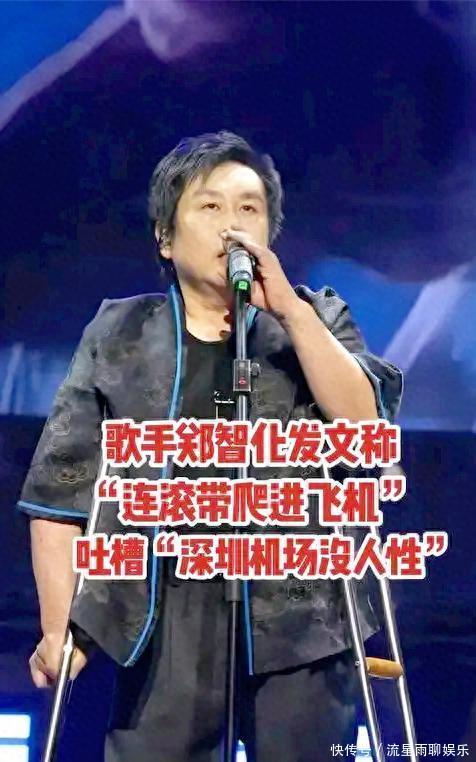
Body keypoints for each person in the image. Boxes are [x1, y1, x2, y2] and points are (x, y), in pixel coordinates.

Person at [18, 130, 403, 761]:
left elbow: (367, 430)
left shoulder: (316, 320)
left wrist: (291, 312)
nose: (233, 225)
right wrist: (60, 626)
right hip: (161, 619)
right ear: (165, 238)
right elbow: (59, 493)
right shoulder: (121, 332)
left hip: (303, 620)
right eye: (211, 206)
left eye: (249, 208)